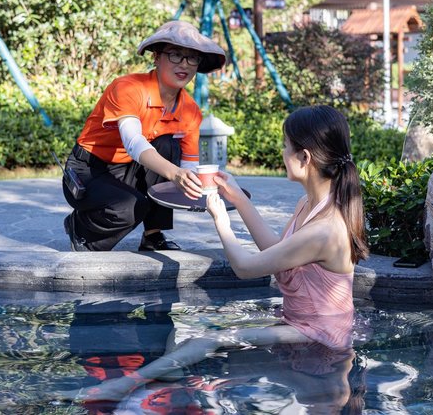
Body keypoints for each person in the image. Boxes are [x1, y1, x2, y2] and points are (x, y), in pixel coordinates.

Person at [66, 105, 369, 407]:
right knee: (194, 343)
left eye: (286, 146)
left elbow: (246, 268)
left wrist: (221, 220)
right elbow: (274, 249)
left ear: (304, 158)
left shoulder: (325, 231)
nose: (282, 152)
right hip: (298, 329)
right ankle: (169, 380)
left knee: (206, 341)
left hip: (322, 345)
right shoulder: (308, 204)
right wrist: (236, 196)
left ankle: (124, 385)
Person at [61, 20, 226, 252]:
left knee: (168, 145)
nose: (184, 64)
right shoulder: (127, 88)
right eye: (175, 55)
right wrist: (174, 174)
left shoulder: (190, 111)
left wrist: (209, 189)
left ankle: (152, 235)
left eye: (192, 58)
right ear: (156, 57)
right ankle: (80, 228)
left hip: (130, 167)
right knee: (130, 208)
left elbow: (189, 166)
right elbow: (133, 142)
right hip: (89, 169)